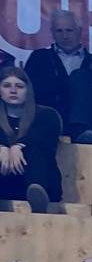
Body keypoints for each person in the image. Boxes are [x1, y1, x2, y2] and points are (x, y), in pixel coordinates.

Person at [24, 9, 92, 144]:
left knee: (81, 76)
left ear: (79, 31)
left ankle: (80, 128)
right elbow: (27, 92)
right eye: (59, 31)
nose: (65, 36)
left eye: (69, 30)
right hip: (50, 118)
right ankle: (78, 129)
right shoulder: (39, 59)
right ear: (52, 33)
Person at [0, 64, 60, 212]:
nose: (13, 90)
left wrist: (18, 146)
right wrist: (2, 147)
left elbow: (44, 136)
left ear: (28, 90)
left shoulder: (46, 115)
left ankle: (38, 196)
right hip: (4, 183)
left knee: (35, 148)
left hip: (36, 180)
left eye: (19, 86)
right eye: (7, 86)